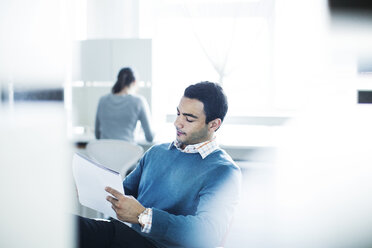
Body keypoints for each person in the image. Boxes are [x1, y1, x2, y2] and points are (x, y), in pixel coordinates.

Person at [78, 81, 241, 248]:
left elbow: (208, 233)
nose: (177, 123)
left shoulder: (224, 171)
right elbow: (122, 192)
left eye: (189, 119)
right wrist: (90, 186)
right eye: (178, 113)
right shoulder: (157, 152)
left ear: (214, 124)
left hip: (157, 245)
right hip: (121, 234)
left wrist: (143, 216)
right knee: (64, 225)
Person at [95, 67, 154, 143]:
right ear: (134, 82)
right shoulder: (139, 101)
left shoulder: (102, 100)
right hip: (128, 152)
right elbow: (149, 137)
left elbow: (97, 135)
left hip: (103, 152)